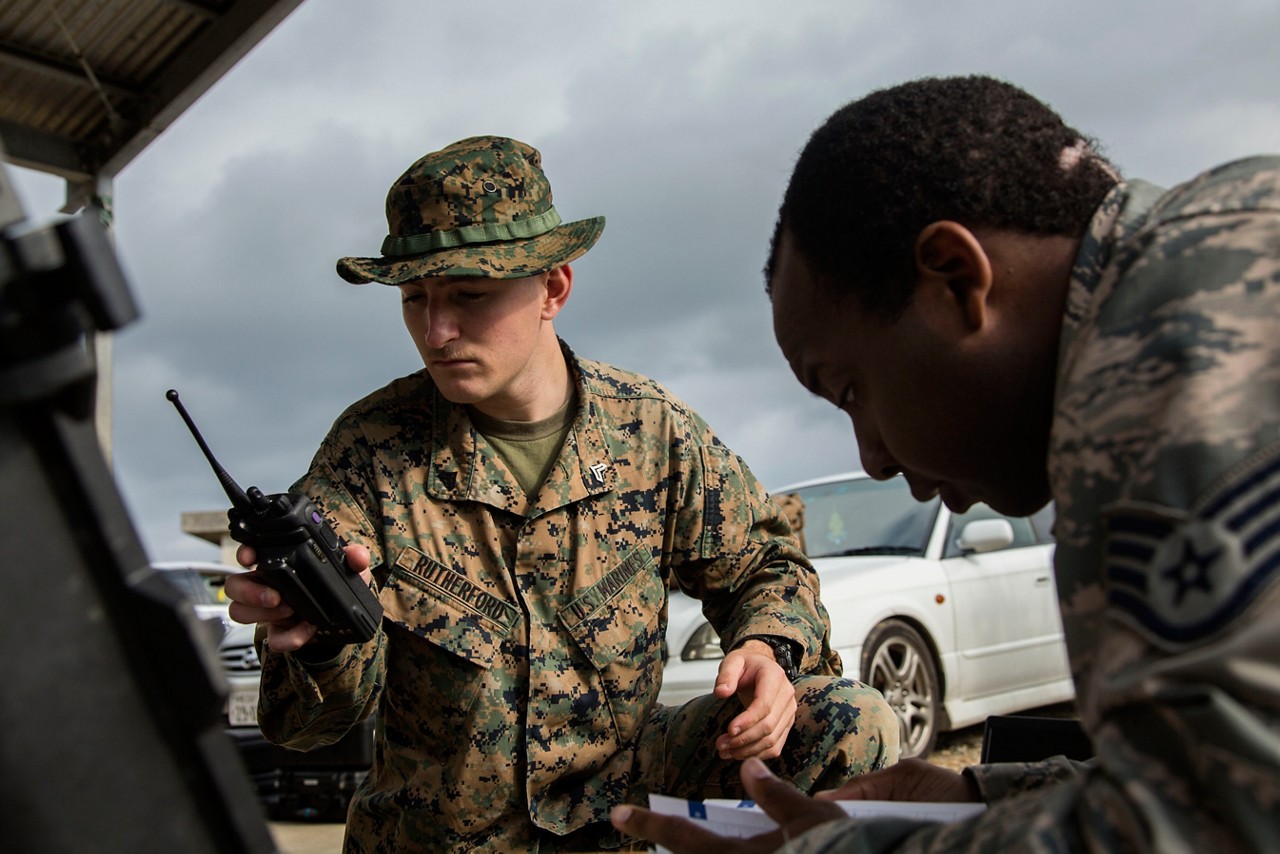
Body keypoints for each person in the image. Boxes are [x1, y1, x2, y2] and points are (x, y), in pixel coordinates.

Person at [611, 75, 1280, 851]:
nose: (872, 458)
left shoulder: (1159, 368)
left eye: (852, 389)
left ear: (957, 280)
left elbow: (1216, 826)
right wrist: (989, 795)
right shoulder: (1214, 249)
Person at [224, 135, 898, 851]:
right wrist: (319, 641)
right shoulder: (369, 454)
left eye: (469, 296)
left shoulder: (648, 430)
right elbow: (305, 728)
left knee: (848, 721)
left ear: (554, 288)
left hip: (620, 812)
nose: (435, 330)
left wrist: (767, 649)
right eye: (414, 298)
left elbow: (765, 562)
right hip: (446, 837)